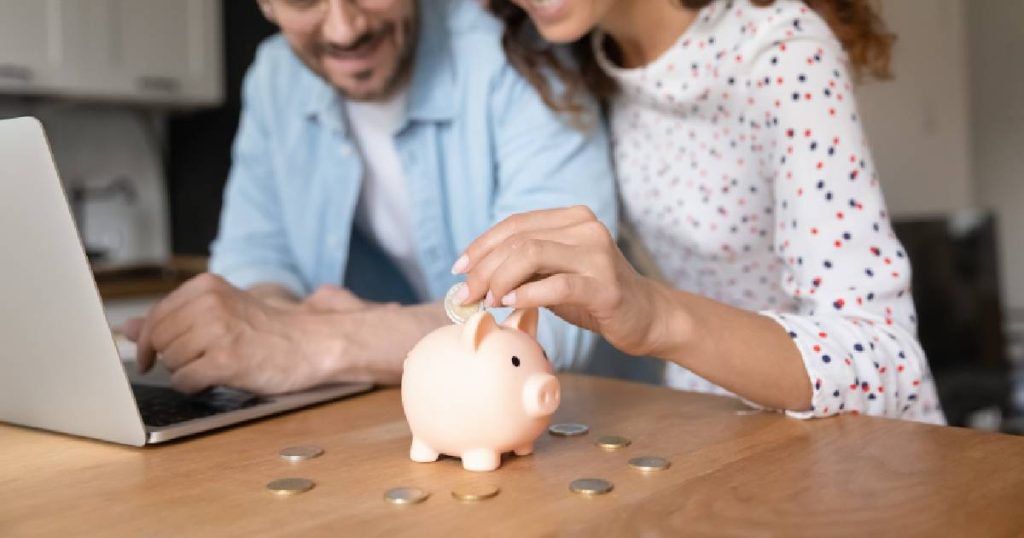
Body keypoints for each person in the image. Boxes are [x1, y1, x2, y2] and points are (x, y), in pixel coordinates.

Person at [456, 0, 944, 422]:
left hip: (856, 449)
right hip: (712, 431)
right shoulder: (585, 57)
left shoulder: (782, 54)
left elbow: (887, 358)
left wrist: (657, 315)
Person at [123, 0, 617, 395]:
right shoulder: (275, 76)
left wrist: (311, 344)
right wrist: (262, 323)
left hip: (579, 412)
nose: (343, 30)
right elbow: (255, 257)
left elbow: (560, 308)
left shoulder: (516, 49)